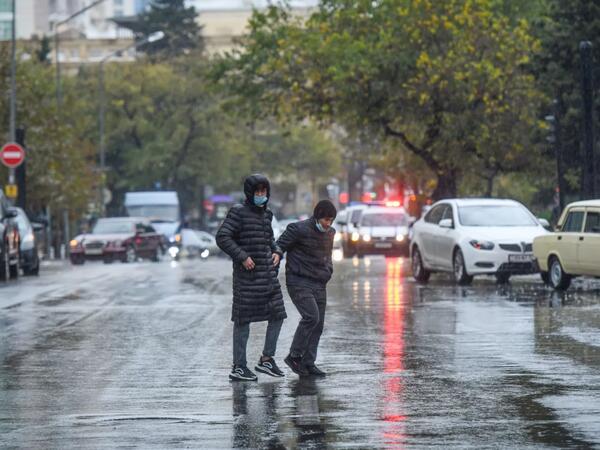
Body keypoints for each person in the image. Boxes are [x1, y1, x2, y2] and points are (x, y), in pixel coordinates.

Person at [216, 174, 287, 381]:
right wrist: (242, 256)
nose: (260, 195)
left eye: (264, 191)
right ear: (249, 193)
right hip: (246, 278)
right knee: (243, 321)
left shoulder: (267, 215)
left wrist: (277, 252)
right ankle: (239, 366)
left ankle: (266, 360)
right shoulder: (238, 212)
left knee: (278, 315)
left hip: (268, 277)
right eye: (257, 191)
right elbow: (222, 237)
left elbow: (270, 241)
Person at [276, 200, 336, 377]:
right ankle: (294, 356)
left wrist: (328, 271)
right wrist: (276, 254)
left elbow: (328, 256)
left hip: (319, 282)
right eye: (326, 219)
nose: (328, 224)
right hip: (299, 281)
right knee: (311, 317)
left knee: (318, 324)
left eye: (331, 220)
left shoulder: (331, 233)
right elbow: (279, 245)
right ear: (317, 216)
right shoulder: (298, 229)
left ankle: (308, 363)